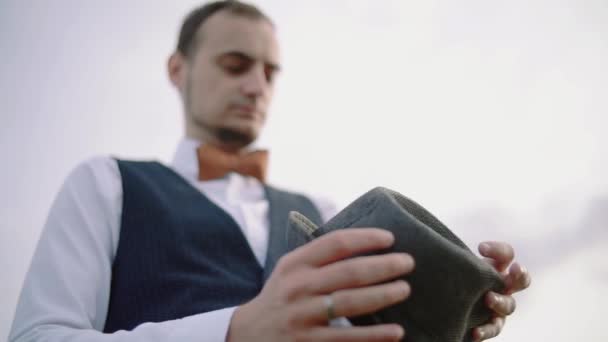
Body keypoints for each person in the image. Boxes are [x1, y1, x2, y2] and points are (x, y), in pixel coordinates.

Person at [9, 1, 531, 341]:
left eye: (269, 72)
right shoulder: (106, 183)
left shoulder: (324, 210)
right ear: (178, 69)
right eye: (235, 65)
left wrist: (460, 308)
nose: (257, 86)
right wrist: (233, 331)